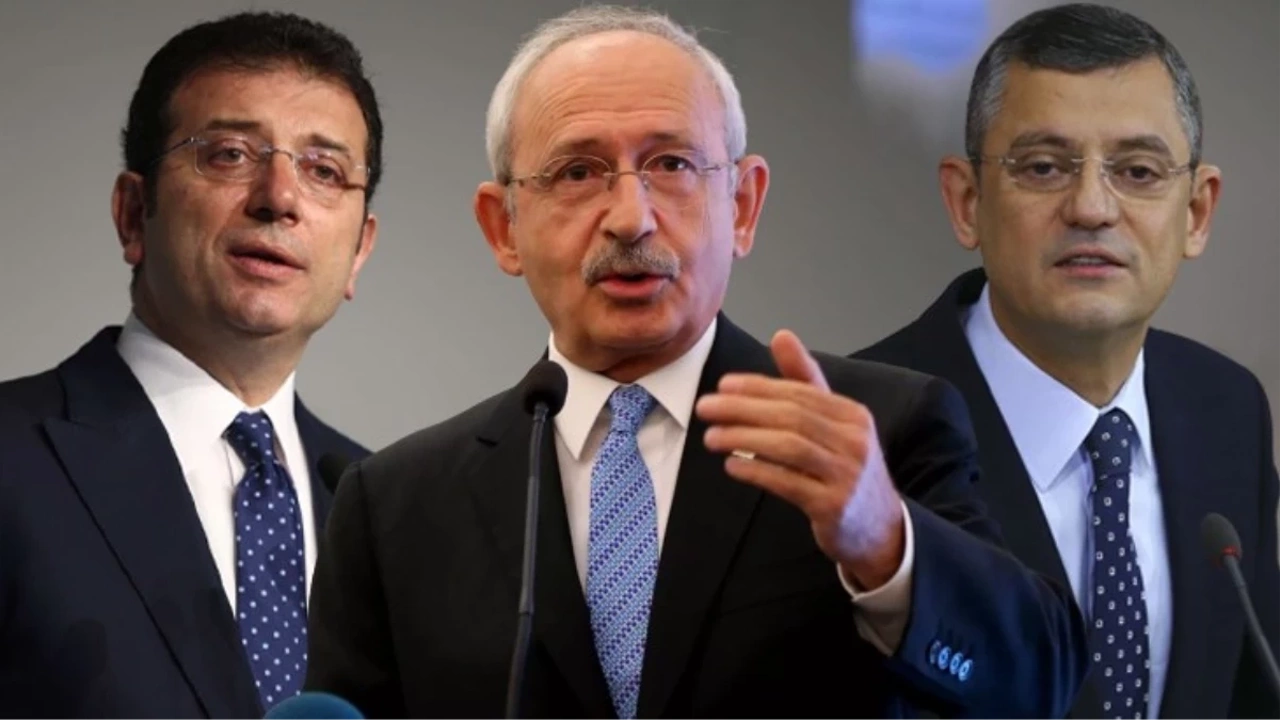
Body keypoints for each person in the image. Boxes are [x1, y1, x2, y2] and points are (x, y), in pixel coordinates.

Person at [304, 6, 1088, 718]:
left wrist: (887, 543)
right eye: (578, 172)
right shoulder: (394, 508)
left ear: (742, 205)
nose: (631, 217)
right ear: (503, 227)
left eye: (673, 164)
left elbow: (1039, 685)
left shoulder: (879, 432)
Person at [853, 4, 1280, 719]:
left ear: (1197, 213)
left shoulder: (1227, 410)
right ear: (967, 202)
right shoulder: (860, 429)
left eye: (1137, 170)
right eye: (1044, 167)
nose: (1091, 208)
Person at [0, 11, 381, 718]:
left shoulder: (388, 510)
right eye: (230, 154)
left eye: (324, 170)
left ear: (359, 250)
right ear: (132, 213)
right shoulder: (12, 455)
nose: (279, 199)